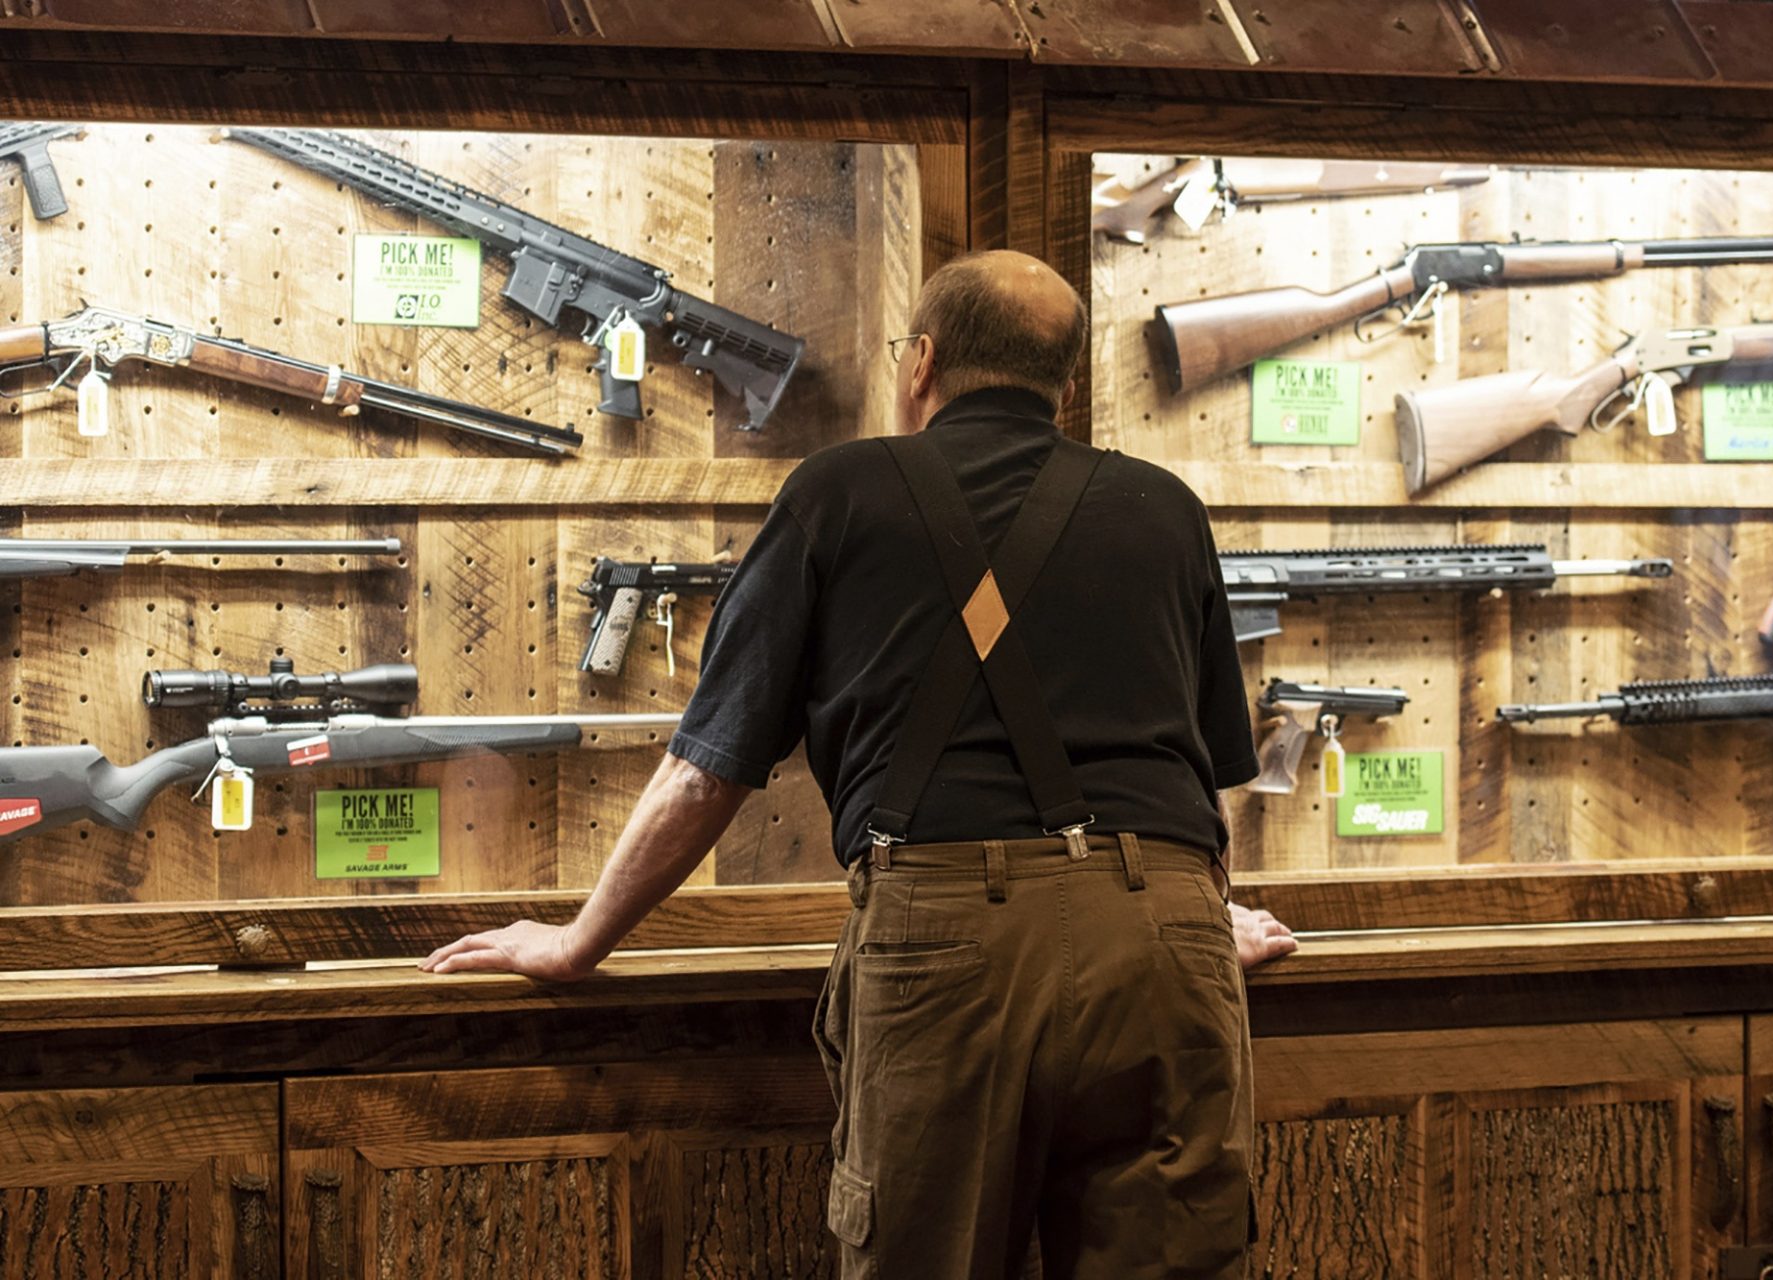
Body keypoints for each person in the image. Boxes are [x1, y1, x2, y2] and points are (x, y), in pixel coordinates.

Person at [422, 249, 1299, 1278]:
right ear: (1066, 387)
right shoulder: (1165, 507)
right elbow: (1204, 774)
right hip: (1167, 944)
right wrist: (1190, 916)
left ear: (919, 362)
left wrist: (577, 942)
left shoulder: (836, 493)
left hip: (948, 946)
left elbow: (707, 771)